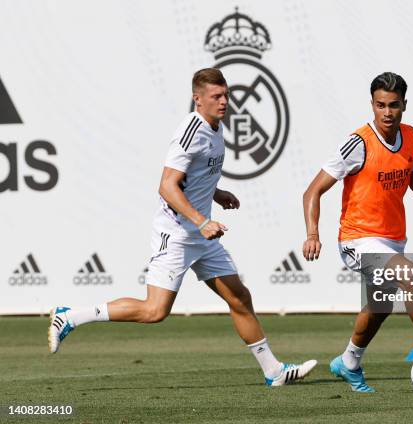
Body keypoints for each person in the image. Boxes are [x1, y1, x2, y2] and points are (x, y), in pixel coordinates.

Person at [49, 68, 316, 387]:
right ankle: (70, 316)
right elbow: (166, 186)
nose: (224, 102)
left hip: (201, 235)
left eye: (226, 95)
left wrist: (217, 193)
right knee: (154, 311)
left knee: (239, 298)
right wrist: (202, 221)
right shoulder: (192, 131)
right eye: (216, 96)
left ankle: (274, 372)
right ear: (197, 98)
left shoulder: (215, 128)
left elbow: (194, 175)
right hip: (177, 233)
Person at [302, 72, 413, 393]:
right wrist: (312, 233)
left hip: (392, 236)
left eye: (393, 105)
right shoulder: (357, 143)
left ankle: (349, 362)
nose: (387, 112)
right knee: (411, 275)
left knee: (379, 306)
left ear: (404, 105)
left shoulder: (411, 137)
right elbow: (312, 191)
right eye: (380, 105)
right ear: (372, 105)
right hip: (356, 238)